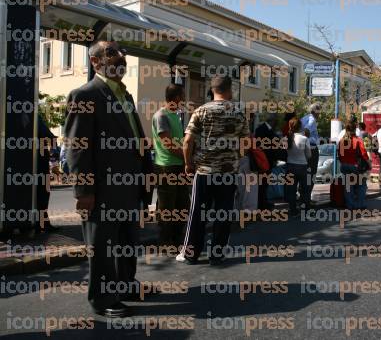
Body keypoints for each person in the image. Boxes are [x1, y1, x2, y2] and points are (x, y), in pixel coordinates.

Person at [64, 40, 153, 318]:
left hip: (130, 185)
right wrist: (83, 190)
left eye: (121, 53)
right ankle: (102, 299)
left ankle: (125, 286)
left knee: (127, 241)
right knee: (102, 246)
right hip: (102, 189)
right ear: (95, 62)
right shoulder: (85, 95)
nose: (120, 57)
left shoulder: (124, 95)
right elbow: (78, 146)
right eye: (112, 53)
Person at [179, 75, 249, 266]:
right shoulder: (239, 113)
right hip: (228, 173)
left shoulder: (201, 111)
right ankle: (216, 254)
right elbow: (245, 144)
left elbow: (187, 142)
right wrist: (235, 157)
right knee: (223, 213)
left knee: (197, 213)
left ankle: (191, 254)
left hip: (204, 172)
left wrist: (188, 164)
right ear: (229, 90)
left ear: (212, 90)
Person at [151, 84, 189, 246]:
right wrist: (188, 157)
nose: (185, 99)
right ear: (177, 98)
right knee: (168, 207)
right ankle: (166, 241)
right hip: (166, 167)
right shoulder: (162, 116)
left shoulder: (175, 115)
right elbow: (169, 145)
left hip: (177, 165)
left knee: (181, 204)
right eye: (183, 96)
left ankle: (177, 238)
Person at [338, 122, 369, 209]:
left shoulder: (341, 141)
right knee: (361, 184)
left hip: (344, 165)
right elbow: (364, 154)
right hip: (354, 166)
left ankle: (350, 205)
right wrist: (369, 164)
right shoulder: (358, 140)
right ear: (355, 130)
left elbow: (339, 155)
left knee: (348, 185)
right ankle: (360, 204)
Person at [284, 118, 311, 216]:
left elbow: (285, 152)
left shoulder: (286, 138)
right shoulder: (304, 139)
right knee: (304, 189)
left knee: (291, 190)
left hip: (290, 166)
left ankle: (293, 210)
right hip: (302, 166)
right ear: (300, 127)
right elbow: (309, 155)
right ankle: (305, 209)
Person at [255, 114, 279, 209]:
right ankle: (262, 204)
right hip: (264, 161)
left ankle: (263, 202)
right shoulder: (262, 129)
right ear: (272, 121)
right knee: (263, 183)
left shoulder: (267, 129)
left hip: (268, 160)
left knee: (265, 183)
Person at [301, 103, 321, 198]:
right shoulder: (311, 120)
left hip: (304, 148)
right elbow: (306, 131)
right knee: (311, 173)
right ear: (314, 112)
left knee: (305, 173)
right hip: (311, 148)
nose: (319, 114)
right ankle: (306, 197)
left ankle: (303, 195)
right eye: (318, 112)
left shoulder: (304, 118)